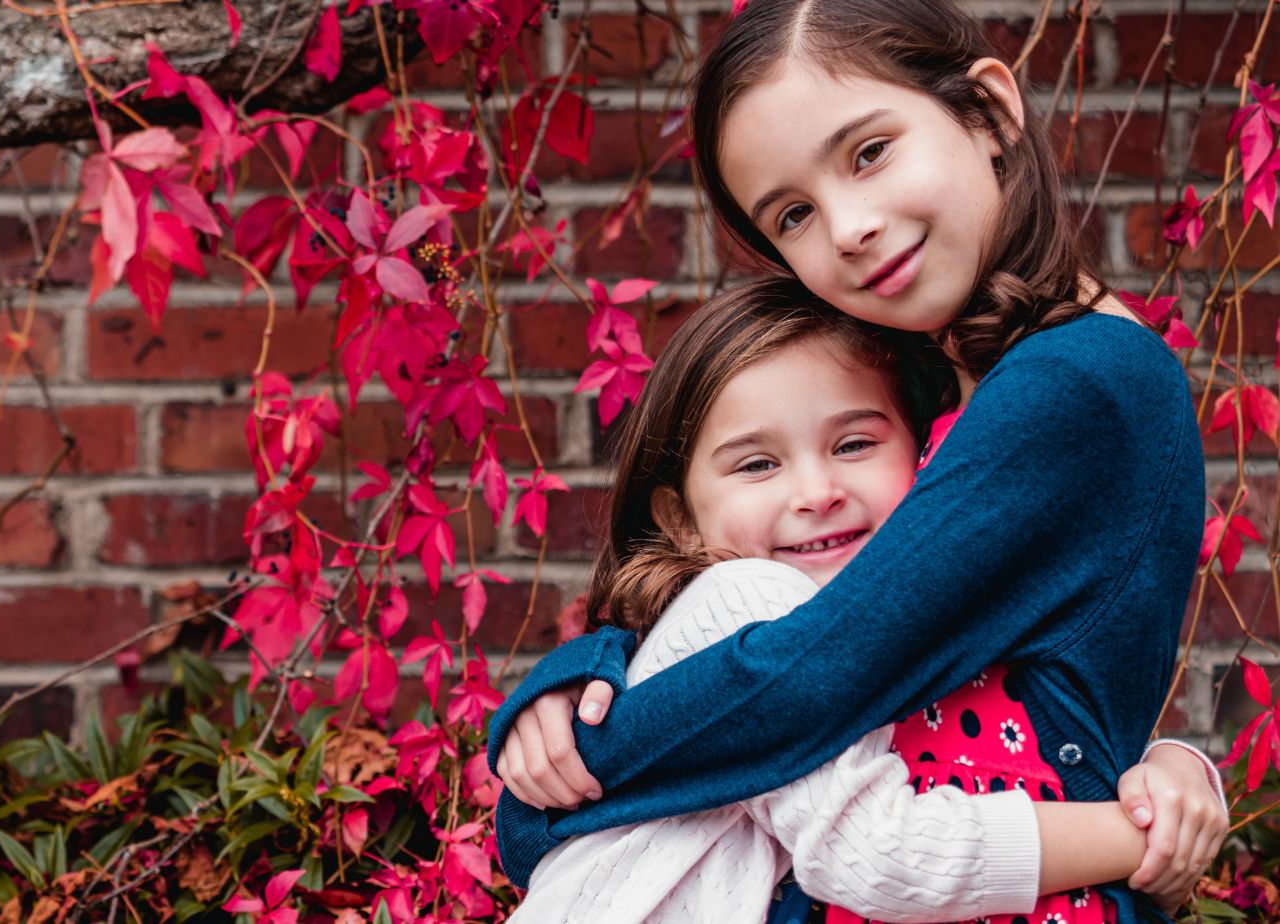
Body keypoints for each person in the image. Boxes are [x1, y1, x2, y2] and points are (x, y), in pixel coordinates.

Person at [487, 0, 1227, 918]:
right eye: (793, 213)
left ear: (989, 113)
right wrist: (590, 670)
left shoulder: (1075, 384)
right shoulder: (937, 380)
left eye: (869, 152)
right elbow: (798, 613)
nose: (846, 227)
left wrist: (548, 798)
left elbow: (809, 677)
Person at [507, 278, 1202, 924]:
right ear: (681, 519)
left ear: (929, 459)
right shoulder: (749, 595)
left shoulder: (897, 630)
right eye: (758, 464)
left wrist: (1176, 766)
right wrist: (1141, 835)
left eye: (855, 443)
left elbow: (1027, 717)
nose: (817, 491)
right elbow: (873, 854)